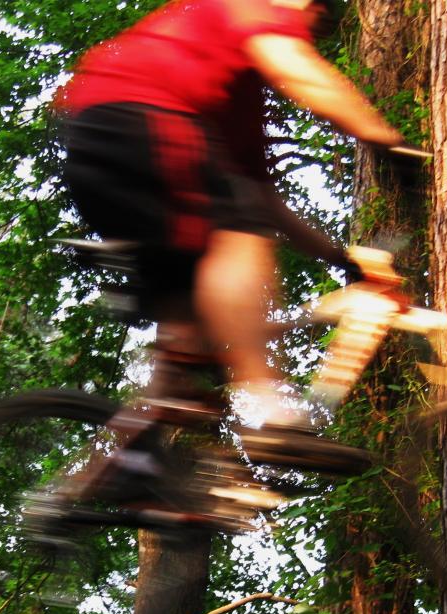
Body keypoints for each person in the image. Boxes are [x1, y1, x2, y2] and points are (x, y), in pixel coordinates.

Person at [54, 0, 411, 467]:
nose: (304, 32)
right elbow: (301, 75)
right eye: (311, 21)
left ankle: (123, 477)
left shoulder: (232, 100)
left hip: (105, 149)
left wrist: (341, 257)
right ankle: (273, 416)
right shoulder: (248, 6)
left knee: (187, 336)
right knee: (238, 231)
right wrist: (386, 138)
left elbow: (266, 200)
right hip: (135, 119)